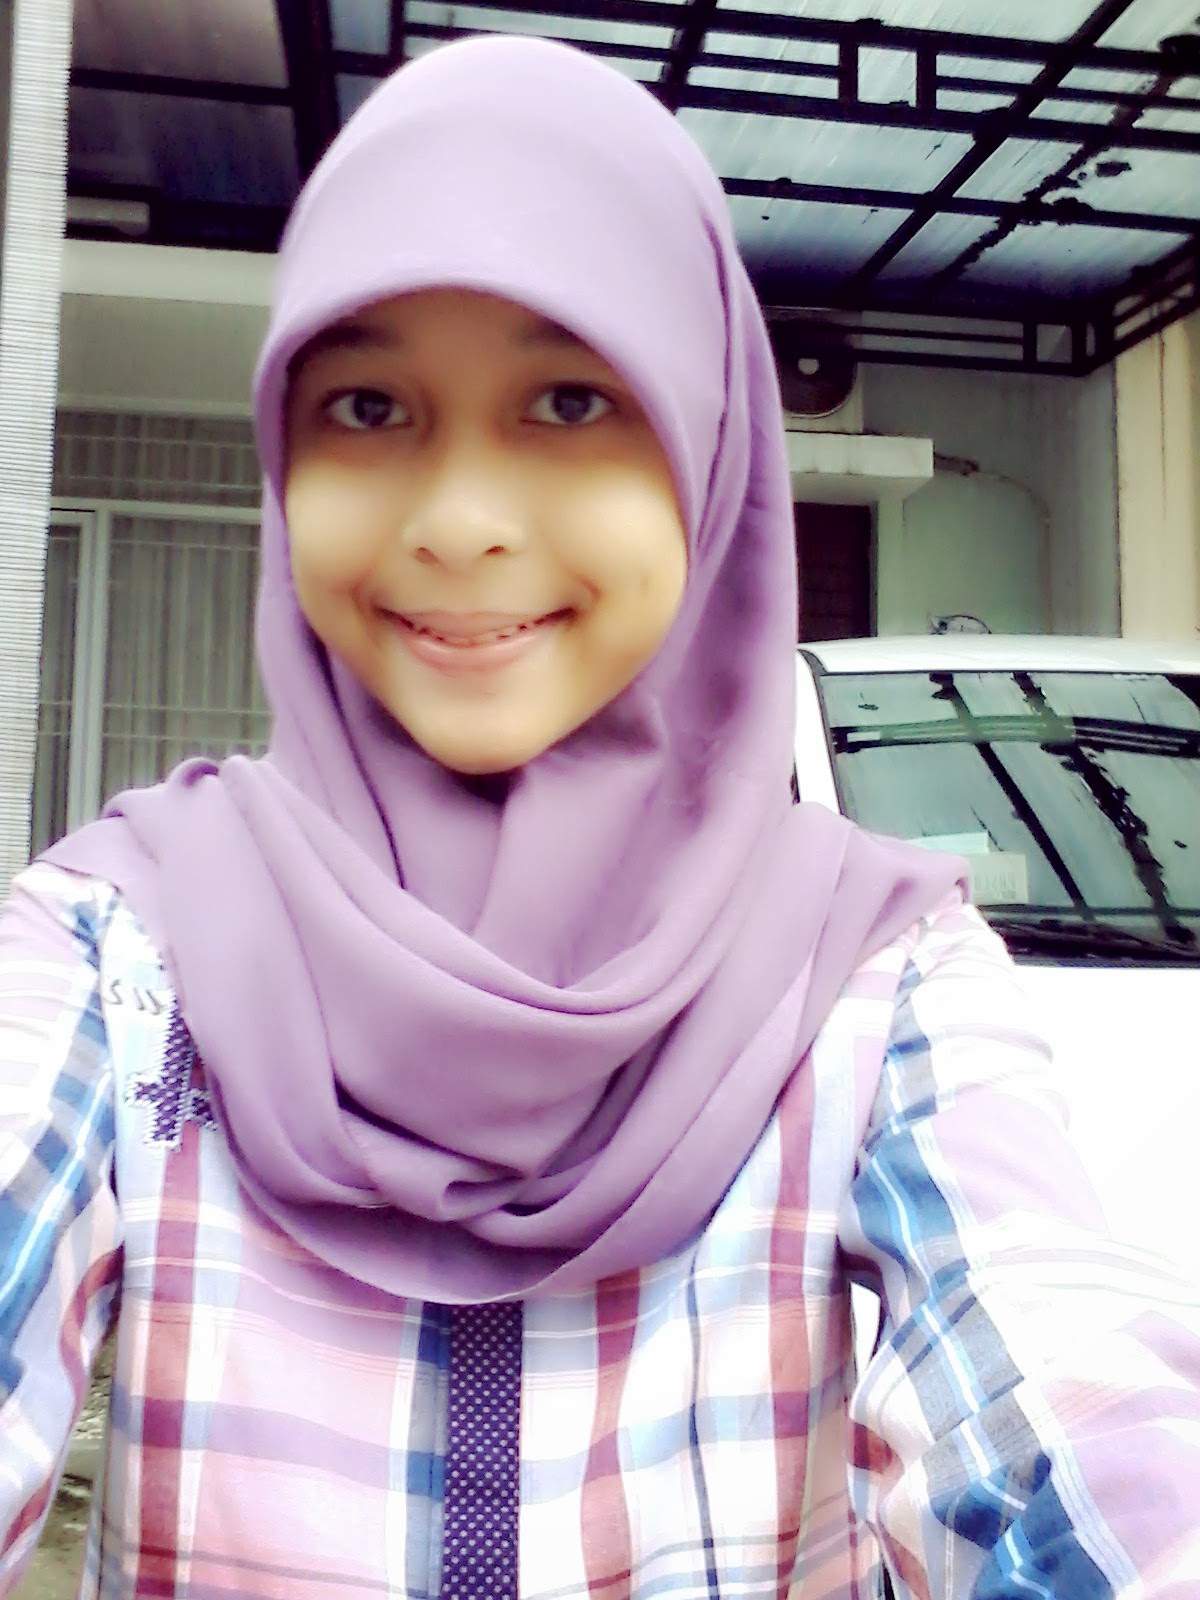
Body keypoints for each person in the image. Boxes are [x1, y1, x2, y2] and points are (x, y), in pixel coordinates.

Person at [1, 33, 1198, 1600]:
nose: (459, 524)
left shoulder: (867, 981)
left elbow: (1066, 1403)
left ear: (709, 453)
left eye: (570, 399)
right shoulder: (124, 953)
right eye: (367, 406)